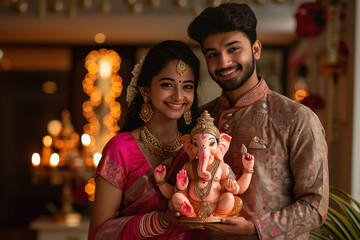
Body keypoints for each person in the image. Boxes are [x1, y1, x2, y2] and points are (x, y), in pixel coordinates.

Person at [187, 3, 329, 239]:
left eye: (233, 49)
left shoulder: (297, 118)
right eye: (212, 54)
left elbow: (315, 207)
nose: (223, 62)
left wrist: (256, 228)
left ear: (256, 49)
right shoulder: (199, 118)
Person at [88, 40, 204, 240]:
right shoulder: (121, 149)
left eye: (187, 86)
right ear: (146, 91)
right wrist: (159, 221)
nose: (178, 96)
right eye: (167, 84)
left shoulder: (196, 149)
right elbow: (99, 234)